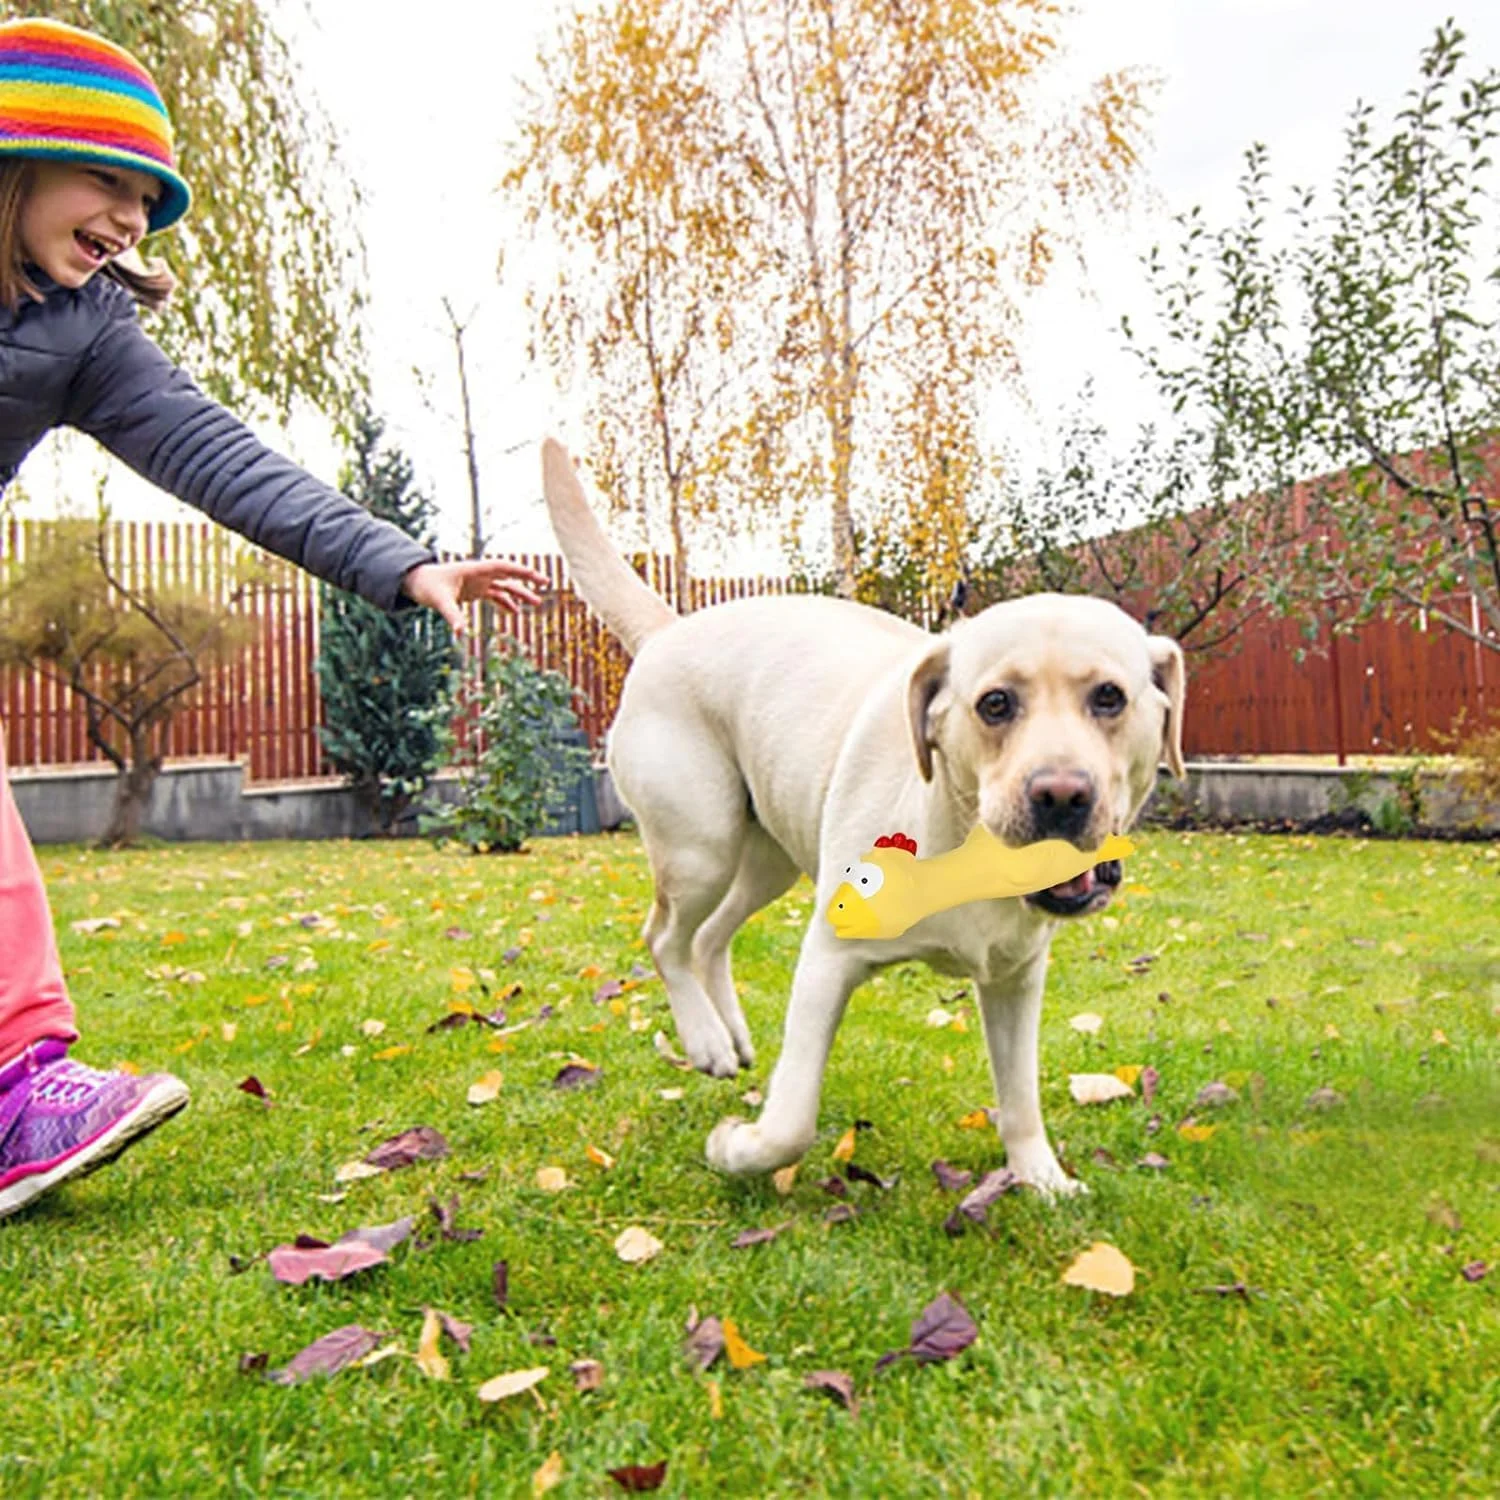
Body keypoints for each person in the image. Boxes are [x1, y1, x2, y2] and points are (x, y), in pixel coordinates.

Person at [0, 17, 547, 1221]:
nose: (133, 220)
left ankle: (18, 1088)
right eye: (108, 181)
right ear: (18, 159)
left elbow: (219, 455)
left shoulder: (83, 332)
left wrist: (405, 568)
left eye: (149, 198)